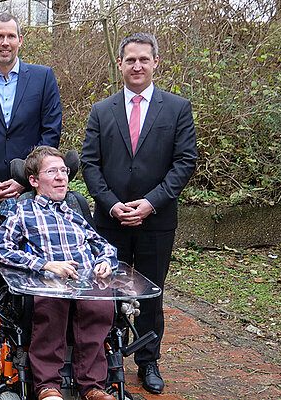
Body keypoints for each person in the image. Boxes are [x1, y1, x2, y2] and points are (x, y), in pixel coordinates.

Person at [81, 32, 198, 395]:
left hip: (156, 221)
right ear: (120, 64)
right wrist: (111, 203)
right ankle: (103, 359)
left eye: (144, 60)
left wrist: (150, 203)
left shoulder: (177, 108)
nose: (137, 66)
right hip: (109, 221)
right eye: (130, 60)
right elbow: (89, 163)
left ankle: (148, 361)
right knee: (106, 293)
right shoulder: (102, 111)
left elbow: (184, 162)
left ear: (155, 63)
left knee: (150, 295)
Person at [0, 146, 119, 400]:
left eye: (64, 170)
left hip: (84, 281)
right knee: (51, 307)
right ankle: (47, 385)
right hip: (48, 282)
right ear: (34, 181)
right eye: (52, 171)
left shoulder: (75, 214)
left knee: (101, 307)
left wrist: (105, 261)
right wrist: (44, 265)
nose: (61, 176)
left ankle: (92, 386)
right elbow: (0, 248)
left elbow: (104, 245)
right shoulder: (23, 211)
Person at [0, 12, 62, 309]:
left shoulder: (43, 77)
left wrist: (24, 179)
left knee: (37, 257)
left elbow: (50, 132)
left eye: (11, 36)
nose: (5, 42)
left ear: (20, 40)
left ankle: (35, 324)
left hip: (31, 190)